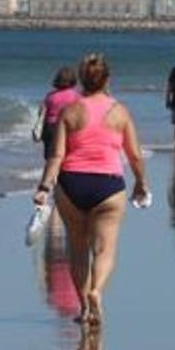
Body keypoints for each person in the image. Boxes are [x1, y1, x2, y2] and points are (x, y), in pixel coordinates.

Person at [33, 53, 148, 326]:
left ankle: (84, 307)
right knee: (105, 249)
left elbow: (56, 156)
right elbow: (134, 155)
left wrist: (44, 187)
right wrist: (141, 182)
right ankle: (96, 291)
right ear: (107, 79)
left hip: (71, 184)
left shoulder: (70, 111)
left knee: (77, 249)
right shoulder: (120, 112)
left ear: (82, 80)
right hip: (108, 185)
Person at [33, 66, 80, 160]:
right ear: (73, 81)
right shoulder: (75, 95)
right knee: (66, 154)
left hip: (49, 127)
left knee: (50, 156)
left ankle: (50, 168)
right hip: (66, 126)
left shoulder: (50, 96)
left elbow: (41, 112)